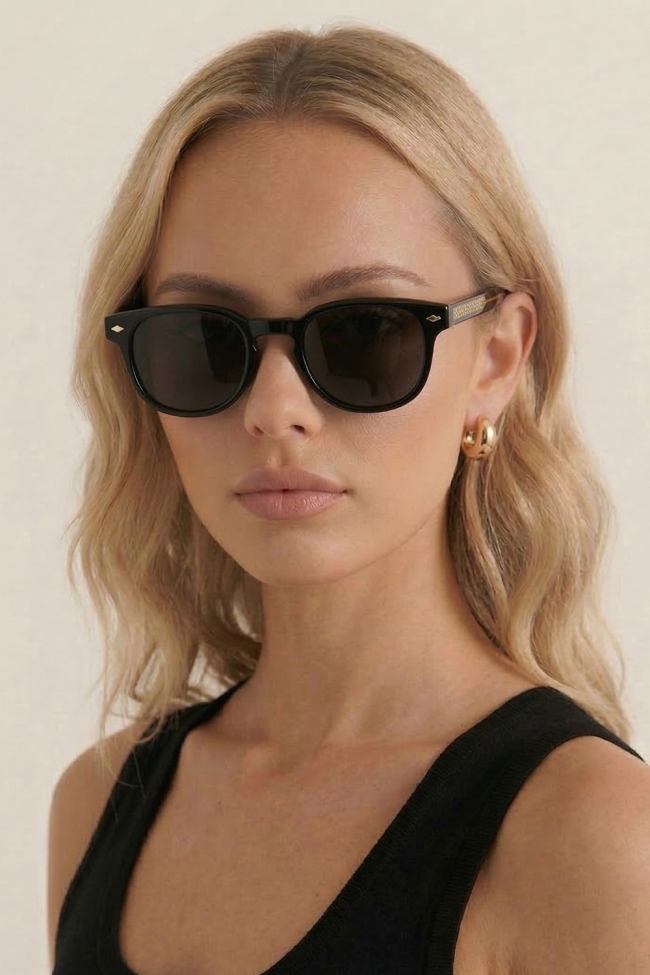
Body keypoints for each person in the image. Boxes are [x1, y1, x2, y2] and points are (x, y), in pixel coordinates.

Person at [48, 23, 650, 975]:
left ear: (496, 358)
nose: (274, 409)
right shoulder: (98, 803)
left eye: (364, 333)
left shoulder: (588, 837)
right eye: (205, 338)